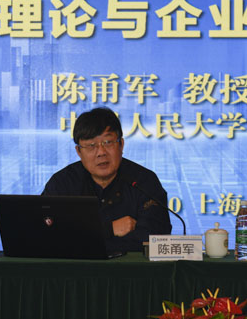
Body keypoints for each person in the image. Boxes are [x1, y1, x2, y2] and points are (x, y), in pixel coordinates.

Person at [42, 107, 172, 252]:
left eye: (108, 142)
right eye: (91, 145)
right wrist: (109, 229)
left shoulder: (144, 181)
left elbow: (156, 238)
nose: (101, 152)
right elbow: (44, 233)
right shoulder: (62, 183)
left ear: (121, 144)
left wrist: (83, 238)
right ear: (79, 151)